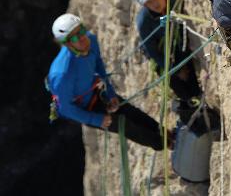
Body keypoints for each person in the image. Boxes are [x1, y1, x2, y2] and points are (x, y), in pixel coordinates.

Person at [48, 13, 170, 150]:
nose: (82, 37)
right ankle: (164, 144)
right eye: (75, 37)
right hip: (85, 108)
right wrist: (96, 120)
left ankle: (167, 134)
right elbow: (66, 109)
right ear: (66, 43)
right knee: (125, 126)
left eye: (81, 31)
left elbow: (99, 65)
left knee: (130, 111)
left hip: (96, 92)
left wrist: (111, 93)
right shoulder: (61, 73)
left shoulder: (90, 40)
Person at [130, 0, 219, 133]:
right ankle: (194, 116)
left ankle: (205, 117)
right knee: (180, 88)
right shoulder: (144, 22)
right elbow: (152, 52)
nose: (154, 4)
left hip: (179, 48)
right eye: (148, 3)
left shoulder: (176, 2)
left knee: (192, 85)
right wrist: (175, 70)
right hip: (161, 58)